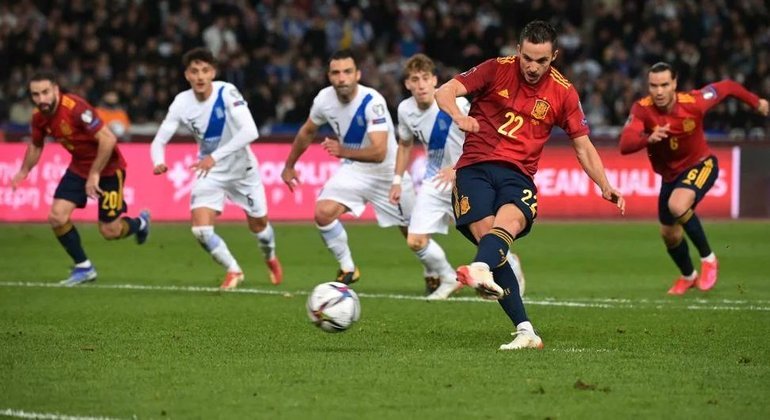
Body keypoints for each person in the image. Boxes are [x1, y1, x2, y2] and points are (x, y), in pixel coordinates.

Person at [435, 20, 625, 350]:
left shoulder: (564, 92)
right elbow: (444, 91)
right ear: (518, 50)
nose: (533, 67)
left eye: (542, 61)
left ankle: (482, 271)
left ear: (555, 56)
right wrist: (457, 115)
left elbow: (582, 144)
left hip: (518, 176)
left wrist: (604, 184)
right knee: (493, 246)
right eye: (527, 58)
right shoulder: (495, 69)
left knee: (503, 229)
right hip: (475, 169)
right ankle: (526, 331)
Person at [620, 62, 769, 295]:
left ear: (675, 84)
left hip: (701, 164)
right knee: (669, 234)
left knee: (677, 205)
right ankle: (688, 276)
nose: (659, 91)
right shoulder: (642, 109)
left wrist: (756, 102)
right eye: (653, 85)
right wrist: (647, 138)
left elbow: (728, 86)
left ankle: (709, 259)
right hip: (670, 177)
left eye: (664, 85)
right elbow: (625, 144)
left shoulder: (694, 102)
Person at [389, 53, 528, 300]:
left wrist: (457, 168)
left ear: (434, 81)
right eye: (414, 79)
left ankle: (512, 265)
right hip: (435, 181)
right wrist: (397, 180)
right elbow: (405, 144)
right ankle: (446, 277)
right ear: (407, 84)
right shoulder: (405, 110)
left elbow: (482, 138)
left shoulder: (458, 105)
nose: (420, 84)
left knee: (485, 238)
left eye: (425, 78)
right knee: (415, 240)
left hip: (466, 177)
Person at [150, 47, 282, 290]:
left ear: (213, 73)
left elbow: (250, 131)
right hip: (209, 172)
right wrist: (158, 160)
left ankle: (270, 257)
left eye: (205, 70)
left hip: (242, 170)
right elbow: (159, 139)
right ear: (187, 75)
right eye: (194, 71)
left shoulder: (227, 92)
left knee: (259, 227)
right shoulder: (181, 102)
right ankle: (234, 270)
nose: (200, 76)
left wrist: (215, 156)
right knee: (200, 230)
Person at [281, 49, 416, 285]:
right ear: (329, 76)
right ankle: (348, 268)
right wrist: (290, 165)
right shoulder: (324, 99)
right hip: (355, 170)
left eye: (347, 72)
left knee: (414, 238)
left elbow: (379, 152)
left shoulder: (371, 101)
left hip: (387, 172)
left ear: (357, 74)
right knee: (323, 213)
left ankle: (437, 272)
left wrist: (343, 151)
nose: (341, 78)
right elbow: (307, 131)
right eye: (336, 73)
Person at [11, 72, 151, 286]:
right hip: (79, 167)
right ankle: (84, 267)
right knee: (57, 216)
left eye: (46, 93)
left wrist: (94, 174)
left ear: (56, 89)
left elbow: (108, 139)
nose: (41, 99)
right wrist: (24, 171)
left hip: (109, 169)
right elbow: (37, 145)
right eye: (36, 95)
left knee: (109, 231)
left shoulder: (76, 109)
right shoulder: (39, 117)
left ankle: (140, 223)